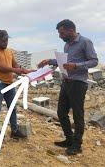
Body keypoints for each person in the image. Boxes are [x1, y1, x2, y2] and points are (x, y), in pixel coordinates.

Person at [38, 19, 98, 155]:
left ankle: (77, 145)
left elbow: (94, 61)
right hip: (66, 82)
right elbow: (64, 62)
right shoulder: (67, 46)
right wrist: (49, 61)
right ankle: (69, 139)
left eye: (62, 33)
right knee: (61, 112)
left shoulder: (85, 42)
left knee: (78, 115)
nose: (60, 36)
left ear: (71, 30)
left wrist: (76, 66)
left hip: (78, 83)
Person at [0, 30, 31, 140]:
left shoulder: (10, 51)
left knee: (12, 107)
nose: (6, 42)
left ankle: (14, 131)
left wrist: (24, 70)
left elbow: (15, 64)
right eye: (3, 40)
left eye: (6, 40)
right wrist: (15, 70)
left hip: (9, 83)